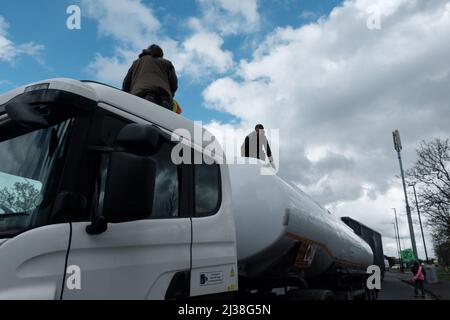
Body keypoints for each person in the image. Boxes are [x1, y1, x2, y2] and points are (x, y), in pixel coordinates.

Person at [122, 44, 178, 111]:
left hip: (140, 94)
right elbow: (174, 84)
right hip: (164, 98)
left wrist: (124, 95)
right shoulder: (167, 63)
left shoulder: (137, 62)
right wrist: (170, 95)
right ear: (161, 54)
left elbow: (126, 83)